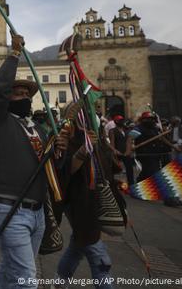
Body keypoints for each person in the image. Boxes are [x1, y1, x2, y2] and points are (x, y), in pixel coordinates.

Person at [0, 34, 65, 288]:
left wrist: (63, 151)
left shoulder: (38, 129)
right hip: (8, 208)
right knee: (27, 279)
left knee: (12, 270)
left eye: (25, 93)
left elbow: (51, 170)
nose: (22, 97)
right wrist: (14, 55)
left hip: (37, 212)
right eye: (16, 93)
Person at [55, 118, 123, 289]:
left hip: (95, 200)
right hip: (78, 203)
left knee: (78, 246)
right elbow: (66, 169)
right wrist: (84, 149)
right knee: (97, 252)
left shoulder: (97, 139)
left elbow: (110, 169)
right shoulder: (65, 140)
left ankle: (59, 282)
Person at [108, 115, 134, 185]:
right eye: (120, 120)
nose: (122, 122)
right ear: (116, 122)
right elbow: (112, 143)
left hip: (126, 152)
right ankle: (116, 184)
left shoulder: (126, 130)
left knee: (130, 169)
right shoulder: (112, 131)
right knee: (116, 169)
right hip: (118, 152)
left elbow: (129, 142)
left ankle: (131, 184)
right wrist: (115, 151)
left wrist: (129, 151)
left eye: (122, 120)